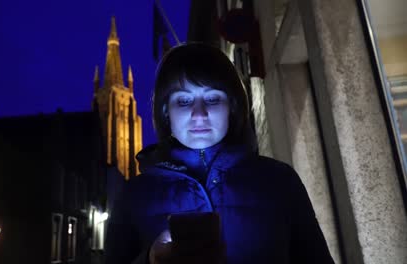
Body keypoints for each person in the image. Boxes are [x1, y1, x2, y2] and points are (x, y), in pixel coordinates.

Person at [105, 43, 335, 264]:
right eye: (184, 101)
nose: (199, 114)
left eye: (213, 98)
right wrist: (150, 259)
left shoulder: (280, 181)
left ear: (232, 106)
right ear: (166, 111)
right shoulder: (135, 195)